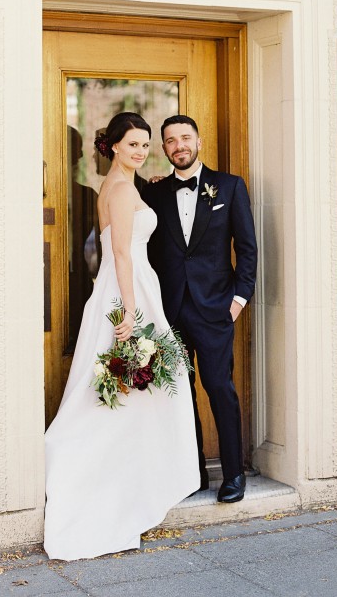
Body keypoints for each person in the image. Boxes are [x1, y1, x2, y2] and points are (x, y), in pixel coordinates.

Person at [44, 112, 199, 561]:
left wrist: (145, 185)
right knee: (127, 390)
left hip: (127, 287)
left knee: (133, 392)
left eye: (145, 144)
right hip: (127, 291)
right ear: (113, 146)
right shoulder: (120, 189)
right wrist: (131, 310)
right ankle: (114, 485)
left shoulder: (120, 187)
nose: (140, 151)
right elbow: (120, 254)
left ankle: (137, 483)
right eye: (132, 144)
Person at [142, 115, 257, 504]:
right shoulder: (153, 194)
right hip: (170, 312)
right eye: (171, 141)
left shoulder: (229, 186)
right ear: (164, 149)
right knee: (179, 394)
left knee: (220, 389)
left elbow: (247, 248)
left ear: (198, 141)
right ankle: (192, 474)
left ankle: (233, 475)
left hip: (215, 311)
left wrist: (238, 300)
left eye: (185, 138)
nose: (179, 146)